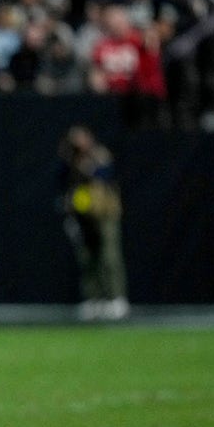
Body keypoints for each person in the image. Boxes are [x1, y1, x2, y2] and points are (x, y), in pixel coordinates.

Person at [58, 125, 129, 321]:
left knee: (109, 256)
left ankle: (116, 298)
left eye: (81, 138)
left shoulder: (99, 154)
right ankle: (94, 299)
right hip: (82, 215)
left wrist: (89, 166)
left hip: (104, 212)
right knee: (87, 258)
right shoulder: (71, 159)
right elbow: (62, 179)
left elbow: (105, 175)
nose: (79, 143)